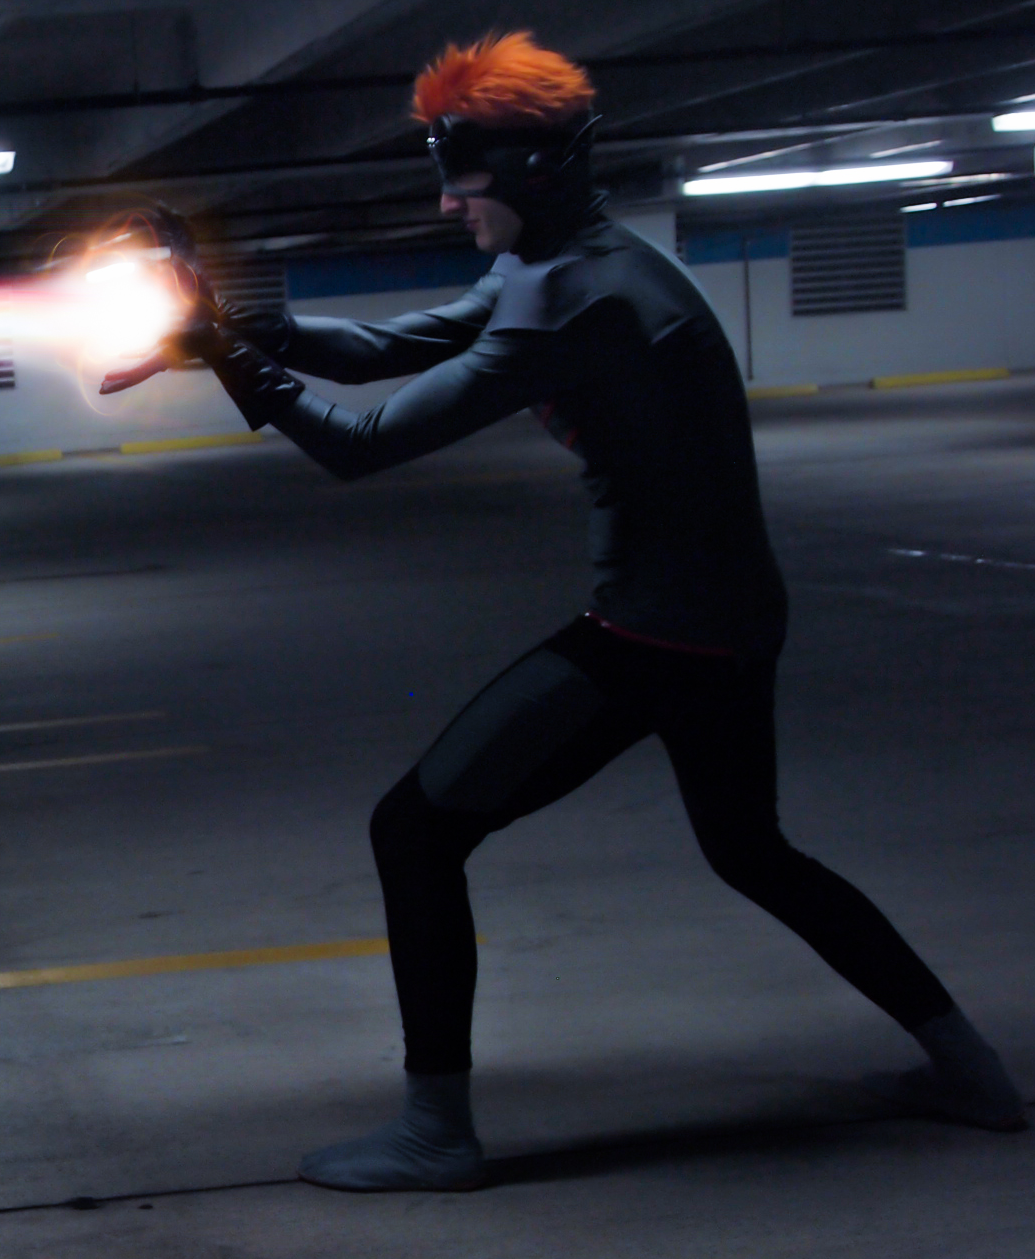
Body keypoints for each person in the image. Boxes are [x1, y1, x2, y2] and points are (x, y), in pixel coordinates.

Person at [103, 31, 1024, 1190]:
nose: (445, 200)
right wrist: (225, 330)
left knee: (414, 829)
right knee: (752, 850)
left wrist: (229, 356)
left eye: (462, 178)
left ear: (533, 171)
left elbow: (360, 442)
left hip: (657, 633)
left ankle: (435, 1132)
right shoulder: (560, 263)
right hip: (720, 620)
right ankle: (973, 1071)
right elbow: (388, 347)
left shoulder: (579, 298)